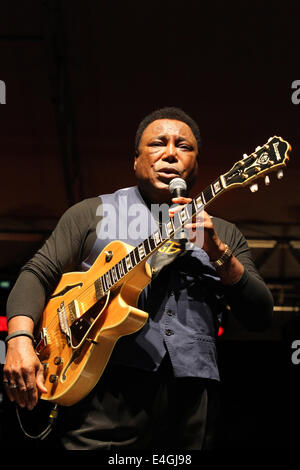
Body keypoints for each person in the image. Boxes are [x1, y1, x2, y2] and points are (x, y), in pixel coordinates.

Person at [3, 107, 273, 450]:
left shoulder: (224, 234)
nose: (171, 153)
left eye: (184, 147)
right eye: (159, 143)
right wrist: (19, 340)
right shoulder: (91, 213)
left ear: (196, 164)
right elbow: (35, 274)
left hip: (189, 400)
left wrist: (218, 251)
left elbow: (260, 315)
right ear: (135, 160)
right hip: (100, 389)